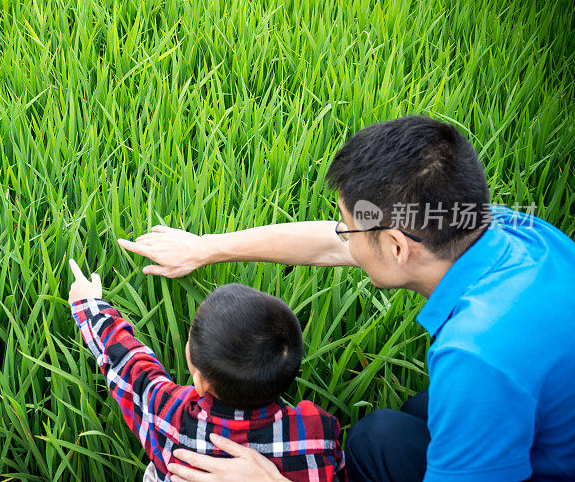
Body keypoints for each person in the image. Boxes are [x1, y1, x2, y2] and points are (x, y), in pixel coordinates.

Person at [118, 116, 575, 481]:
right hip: (535, 405)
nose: (344, 237)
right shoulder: (502, 227)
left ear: (398, 247)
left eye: (350, 225)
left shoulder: (478, 356)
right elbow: (330, 244)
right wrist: (206, 248)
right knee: (384, 433)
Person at [66, 259, 346, 482]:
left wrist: (88, 305)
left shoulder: (170, 416)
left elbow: (130, 365)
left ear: (198, 380)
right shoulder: (317, 430)